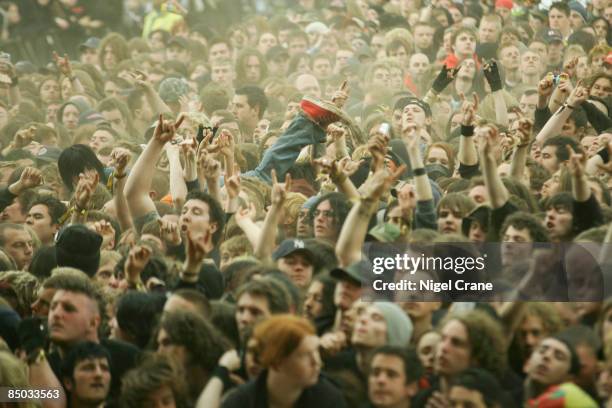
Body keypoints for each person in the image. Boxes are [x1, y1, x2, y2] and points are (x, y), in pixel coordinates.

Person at [220, 315, 346, 407]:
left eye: (316, 352)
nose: (317, 362)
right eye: (306, 355)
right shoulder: (240, 402)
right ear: (277, 362)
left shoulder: (329, 399)